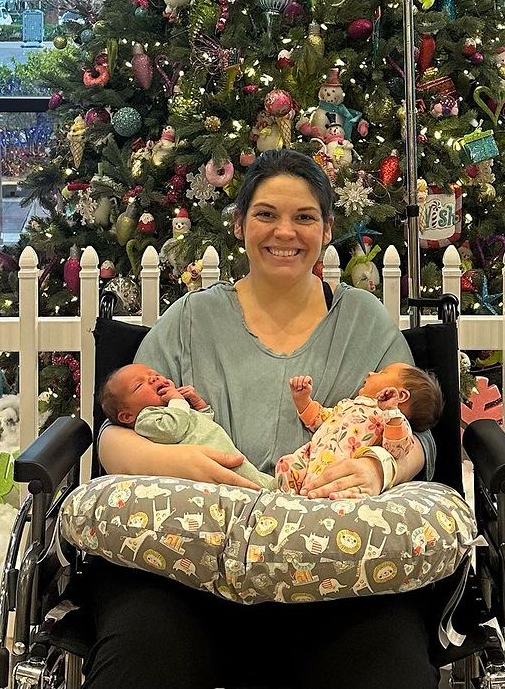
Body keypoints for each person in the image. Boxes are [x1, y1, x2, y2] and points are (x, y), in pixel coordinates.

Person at [85, 149, 442, 689]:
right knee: (138, 659)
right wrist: (177, 460)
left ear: (327, 230)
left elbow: (417, 437)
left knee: (393, 665)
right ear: (239, 225)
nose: (285, 232)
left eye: (304, 217)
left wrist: (380, 470)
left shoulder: (364, 323)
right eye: (266, 214)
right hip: (189, 575)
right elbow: (111, 438)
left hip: (336, 577)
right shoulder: (191, 320)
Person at [98, 362, 277, 490]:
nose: (153, 379)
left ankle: (284, 491)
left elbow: (198, 426)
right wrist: (177, 400)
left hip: (227, 455)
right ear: (127, 415)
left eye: (154, 375)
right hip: (213, 466)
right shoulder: (146, 419)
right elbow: (172, 431)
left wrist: (199, 406)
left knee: (261, 480)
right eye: (139, 385)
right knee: (255, 486)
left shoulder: (174, 409)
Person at [275, 363, 443, 493]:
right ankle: (288, 500)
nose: (371, 373)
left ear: (401, 395)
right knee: (286, 464)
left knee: (338, 490)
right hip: (312, 462)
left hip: (341, 471)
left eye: (382, 373)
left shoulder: (392, 419)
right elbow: (319, 419)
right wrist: (303, 400)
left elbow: (397, 449)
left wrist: (392, 411)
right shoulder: (348, 405)